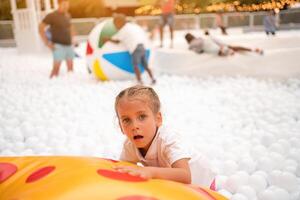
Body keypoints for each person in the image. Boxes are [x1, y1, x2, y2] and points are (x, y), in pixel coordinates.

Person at [114, 85, 216, 186]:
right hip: (175, 185)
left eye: (142, 117)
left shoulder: (168, 138)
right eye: (126, 120)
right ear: (120, 125)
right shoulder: (129, 145)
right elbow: (124, 169)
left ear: (158, 119)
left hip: (203, 182)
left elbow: (185, 175)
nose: (134, 126)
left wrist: (149, 172)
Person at [105, 14, 156, 85]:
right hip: (142, 46)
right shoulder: (131, 26)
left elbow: (117, 41)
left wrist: (108, 39)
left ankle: (139, 80)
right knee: (145, 65)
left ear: (119, 23)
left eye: (115, 25)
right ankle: (153, 78)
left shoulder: (123, 30)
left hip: (135, 48)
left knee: (135, 65)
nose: (115, 27)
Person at [39, 0, 76, 79]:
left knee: (71, 69)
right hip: (58, 45)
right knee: (56, 70)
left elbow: (70, 27)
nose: (66, 6)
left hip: (69, 45)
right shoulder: (52, 16)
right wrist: (47, 42)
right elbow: (40, 27)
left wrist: (73, 39)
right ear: (59, 4)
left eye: (67, 4)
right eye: (64, 4)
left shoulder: (68, 15)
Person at [185, 31, 263, 56]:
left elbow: (197, 51)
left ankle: (227, 51)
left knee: (217, 51)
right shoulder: (199, 38)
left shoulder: (191, 44)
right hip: (209, 40)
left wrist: (199, 51)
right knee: (231, 47)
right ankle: (252, 50)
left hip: (207, 46)